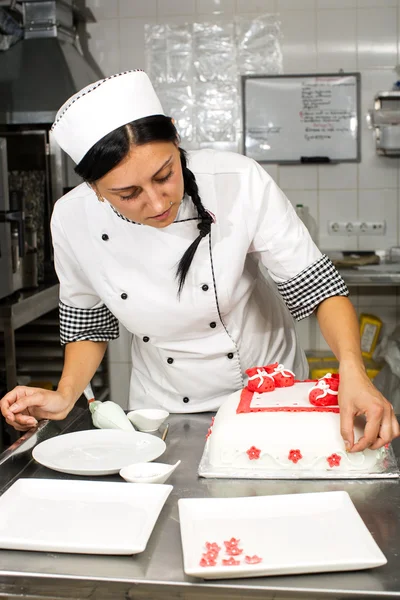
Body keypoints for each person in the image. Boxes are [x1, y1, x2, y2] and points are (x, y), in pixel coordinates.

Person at [1, 70, 399, 453]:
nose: (157, 204)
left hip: (266, 390)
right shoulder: (73, 218)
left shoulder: (237, 180)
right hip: (162, 406)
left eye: (164, 175)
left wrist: (353, 370)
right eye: (128, 193)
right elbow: (88, 320)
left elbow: (318, 288)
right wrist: (66, 393)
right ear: (95, 189)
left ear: (175, 136)